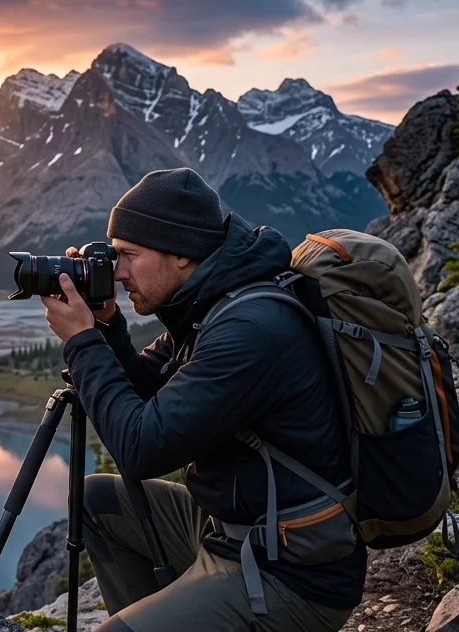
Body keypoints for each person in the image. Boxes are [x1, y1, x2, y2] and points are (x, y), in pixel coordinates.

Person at [40, 167, 364, 632]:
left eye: (129, 255)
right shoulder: (209, 305)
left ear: (182, 255)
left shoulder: (249, 329)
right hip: (231, 528)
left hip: (290, 568)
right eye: (113, 255)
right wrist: (107, 323)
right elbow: (145, 387)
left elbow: (141, 449)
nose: (118, 271)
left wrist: (81, 341)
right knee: (95, 500)